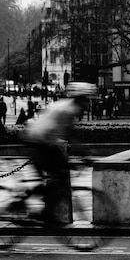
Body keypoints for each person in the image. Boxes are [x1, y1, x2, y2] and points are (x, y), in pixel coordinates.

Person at [22, 81, 97, 224]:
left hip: (44, 141)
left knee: (57, 176)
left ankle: (44, 208)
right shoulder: (68, 111)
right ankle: (42, 210)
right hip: (36, 142)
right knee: (58, 175)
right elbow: (71, 137)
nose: (88, 104)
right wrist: (86, 158)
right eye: (87, 100)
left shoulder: (67, 106)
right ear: (80, 99)